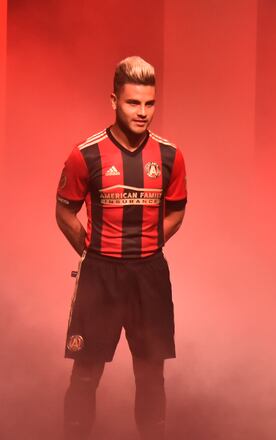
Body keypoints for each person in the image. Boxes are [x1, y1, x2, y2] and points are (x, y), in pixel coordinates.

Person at [55, 56, 187, 440]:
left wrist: (145, 244)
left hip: (149, 275)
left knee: (151, 375)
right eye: (133, 102)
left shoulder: (170, 156)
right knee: (85, 374)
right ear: (114, 100)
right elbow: (64, 211)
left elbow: (177, 212)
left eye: (149, 103)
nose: (143, 112)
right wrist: (93, 248)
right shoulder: (86, 154)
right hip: (100, 275)